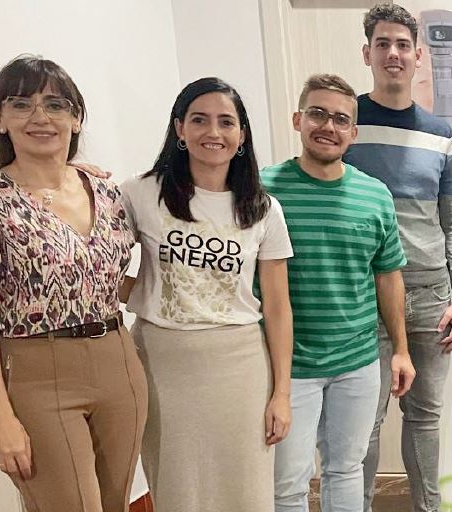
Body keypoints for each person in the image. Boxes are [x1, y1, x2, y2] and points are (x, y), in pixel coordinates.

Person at [121, 77, 295, 512]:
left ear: (242, 135)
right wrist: (141, 293)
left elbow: (278, 307)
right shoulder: (141, 193)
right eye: (199, 120)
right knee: (178, 489)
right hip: (163, 363)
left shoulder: (263, 208)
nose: (213, 132)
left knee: (246, 491)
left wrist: (282, 393)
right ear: (180, 128)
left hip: (240, 366)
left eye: (226, 122)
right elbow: (98, 266)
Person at [0, 54, 144, 512]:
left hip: (119, 363)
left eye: (55, 105)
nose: (40, 116)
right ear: (0, 118)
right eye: (21, 104)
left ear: (76, 119)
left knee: (114, 504)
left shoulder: (108, 193)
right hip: (37, 371)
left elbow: (109, 280)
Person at [267, 73, 415, 512]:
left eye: (340, 119)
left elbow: (388, 276)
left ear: (353, 132)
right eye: (317, 114)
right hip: (289, 366)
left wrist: (401, 350)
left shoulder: (375, 195)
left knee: (347, 469)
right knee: (288, 483)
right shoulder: (262, 191)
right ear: (298, 119)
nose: (328, 126)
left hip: (357, 361)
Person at [346, 6, 452, 511]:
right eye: (383, 44)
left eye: (402, 45)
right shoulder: (346, 123)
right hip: (364, 296)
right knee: (366, 419)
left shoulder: (441, 133)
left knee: (425, 417)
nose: (393, 54)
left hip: (432, 295)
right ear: (367, 53)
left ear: (419, 55)